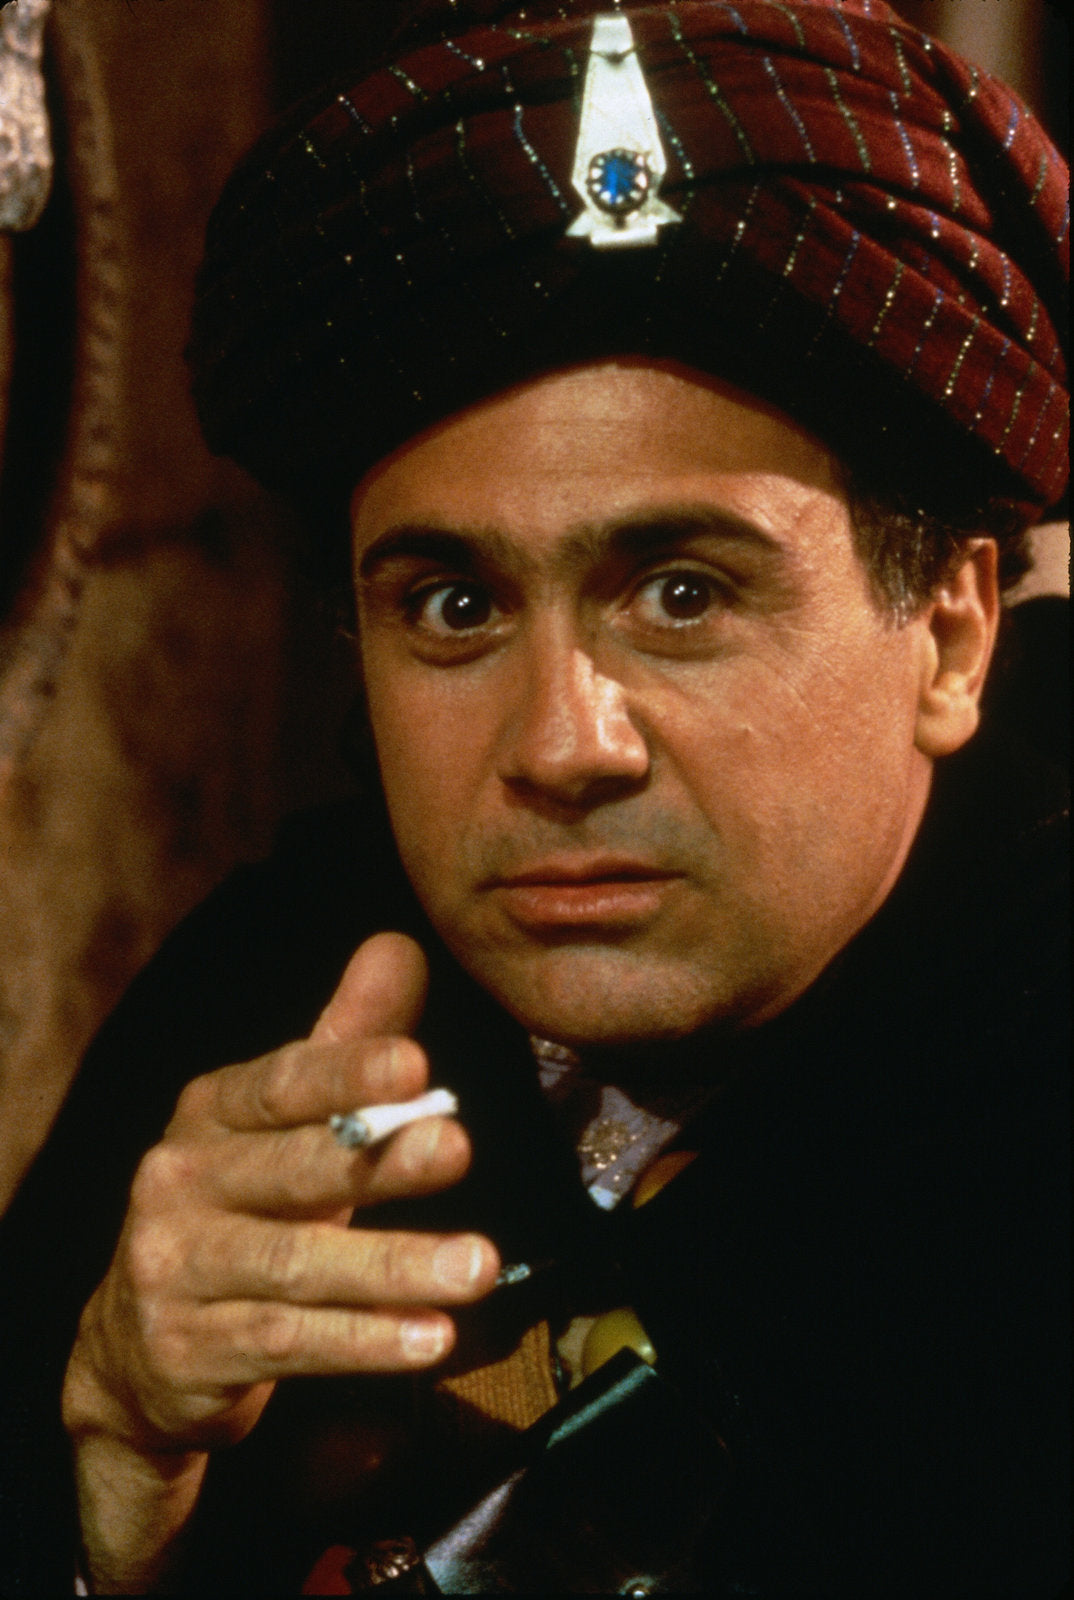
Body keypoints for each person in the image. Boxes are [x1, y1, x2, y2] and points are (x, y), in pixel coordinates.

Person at [1, 0, 1067, 1592]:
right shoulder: (266, 1017)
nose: (563, 746)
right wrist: (112, 1476)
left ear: (951, 635)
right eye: (454, 608)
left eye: (683, 595)